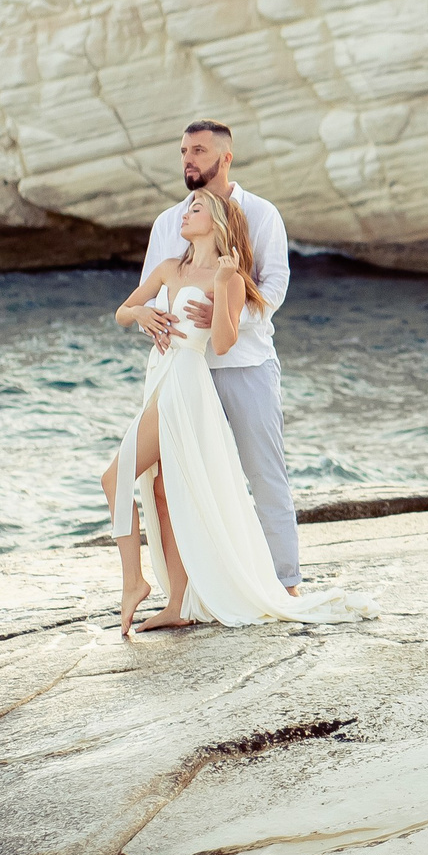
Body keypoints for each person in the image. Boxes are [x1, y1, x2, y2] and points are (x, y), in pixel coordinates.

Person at [103, 188, 377, 635]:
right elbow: (122, 310)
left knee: (114, 478)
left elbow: (226, 342)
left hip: (186, 385)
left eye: (195, 209)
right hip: (161, 378)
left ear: (217, 222)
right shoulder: (170, 267)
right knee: (162, 494)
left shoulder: (229, 276)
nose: (185, 214)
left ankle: (133, 581)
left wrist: (225, 290)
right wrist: (141, 317)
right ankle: (177, 603)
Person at [131, 121, 303, 591]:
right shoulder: (170, 223)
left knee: (264, 475)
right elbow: (150, 292)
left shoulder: (261, 214)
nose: (188, 159)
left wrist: (227, 315)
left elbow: (275, 287)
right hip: (185, 374)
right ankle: (204, 591)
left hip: (246, 366)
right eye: (184, 150)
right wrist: (148, 316)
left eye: (199, 150)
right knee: (183, 484)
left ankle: (286, 584)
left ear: (225, 158)